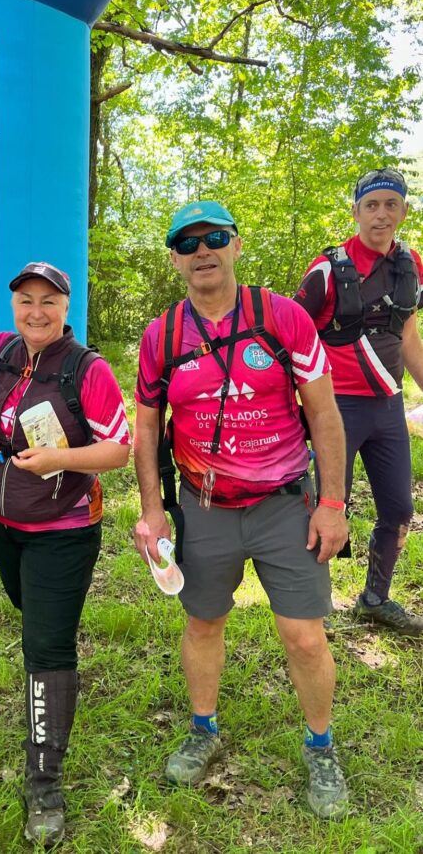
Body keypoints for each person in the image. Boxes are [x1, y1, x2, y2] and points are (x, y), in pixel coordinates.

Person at [134, 201, 350, 819]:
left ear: (234, 245)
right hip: (203, 508)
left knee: (304, 637)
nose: (203, 250)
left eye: (215, 237)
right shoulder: (163, 335)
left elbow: (325, 414)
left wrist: (332, 504)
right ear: (175, 257)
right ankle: (203, 730)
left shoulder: (281, 317)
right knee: (203, 624)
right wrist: (153, 509)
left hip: (285, 504)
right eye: (188, 242)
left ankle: (320, 747)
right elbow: (147, 432)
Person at [0, 262, 130, 846]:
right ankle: (52, 683)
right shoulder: (5, 352)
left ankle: (45, 780)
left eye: (48, 302)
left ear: (67, 308)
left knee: (45, 646)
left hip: (63, 529)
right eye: (25, 301)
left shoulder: (87, 371)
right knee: (31, 617)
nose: (36, 312)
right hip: (3, 523)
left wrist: (62, 460)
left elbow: (119, 448)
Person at [295, 166, 423, 635]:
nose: (381, 215)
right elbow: (293, 336)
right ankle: (313, 606)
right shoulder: (328, 268)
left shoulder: (412, 265)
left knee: (399, 510)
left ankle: (375, 598)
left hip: (388, 408)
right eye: (372, 205)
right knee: (327, 506)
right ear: (356, 212)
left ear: (404, 210)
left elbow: (408, 336)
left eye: (391, 204)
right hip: (335, 409)